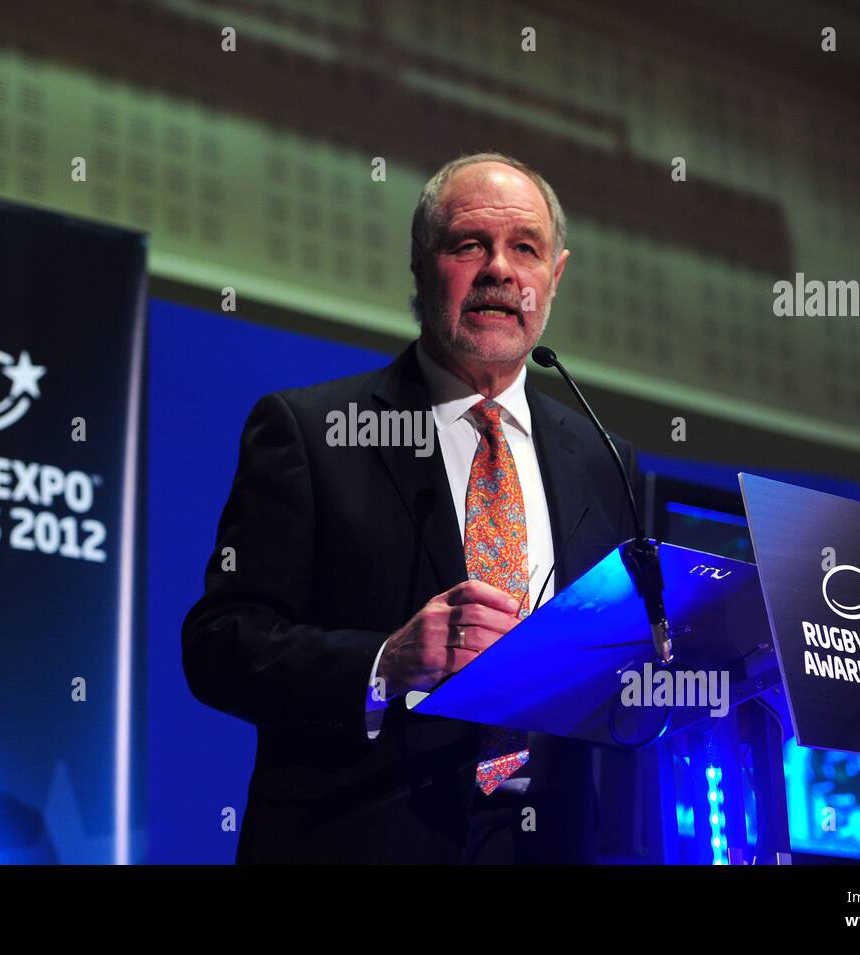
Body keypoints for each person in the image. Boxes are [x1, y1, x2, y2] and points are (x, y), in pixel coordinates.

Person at [182, 152, 639, 863]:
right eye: (468, 245)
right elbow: (219, 645)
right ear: (422, 266)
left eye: (526, 248)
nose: (499, 269)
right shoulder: (312, 432)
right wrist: (385, 661)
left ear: (556, 275)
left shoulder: (606, 461)